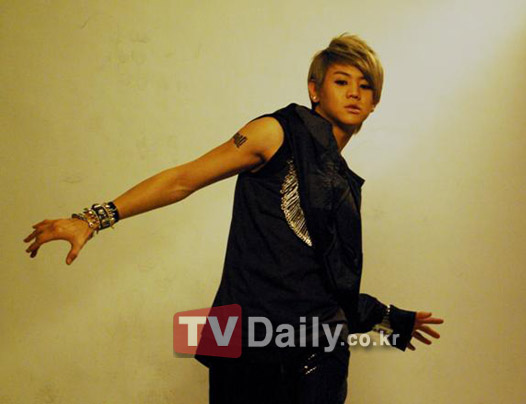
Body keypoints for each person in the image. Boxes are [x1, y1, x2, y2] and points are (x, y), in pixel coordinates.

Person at [24, 34, 444, 403]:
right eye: (341, 81)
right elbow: (183, 179)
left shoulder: (345, 185)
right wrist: (94, 218)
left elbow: (326, 281)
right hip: (248, 345)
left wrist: (387, 317)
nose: (354, 93)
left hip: (318, 354)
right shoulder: (275, 133)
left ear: (375, 103)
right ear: (315, 90)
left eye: (365, 86)